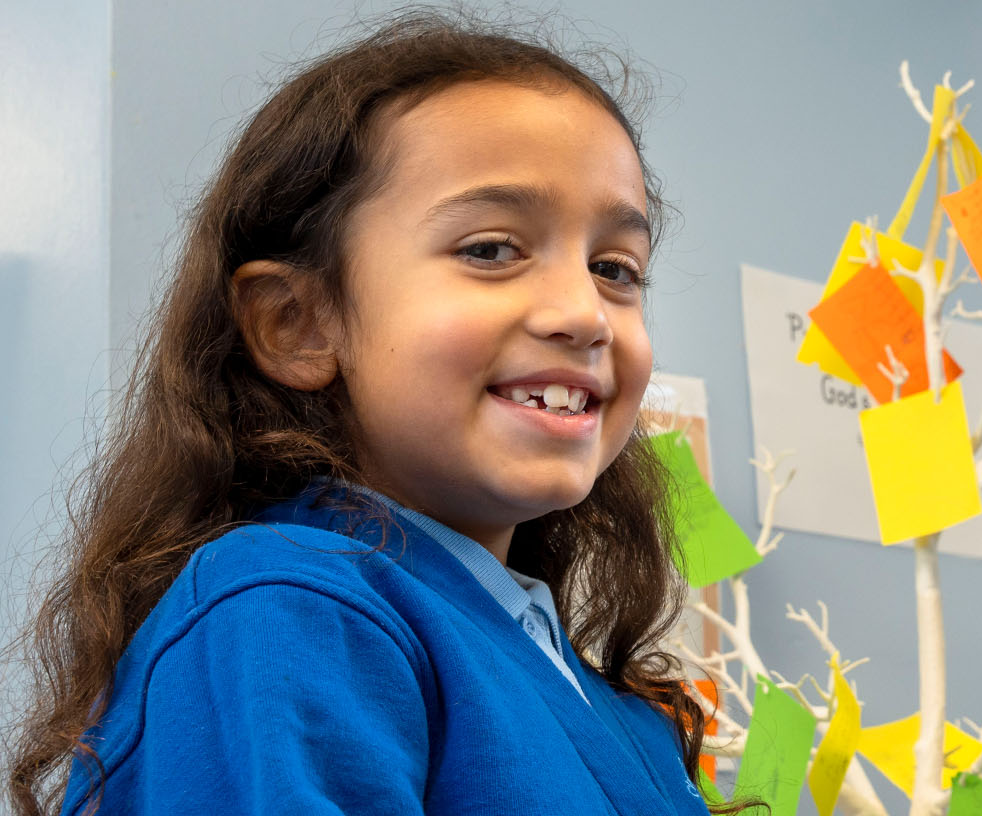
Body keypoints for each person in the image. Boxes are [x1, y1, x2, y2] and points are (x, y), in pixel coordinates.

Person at [7, 12, 731, 815]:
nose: (585, 312)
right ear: (298, 323)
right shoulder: (286, 610)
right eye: (491, 250)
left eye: (614, 268)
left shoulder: (628, 716)